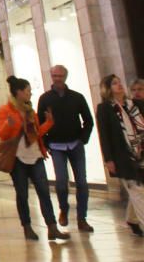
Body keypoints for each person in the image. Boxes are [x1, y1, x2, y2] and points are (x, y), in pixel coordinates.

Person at [0, 75, 69, 241]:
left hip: (35, 155)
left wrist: (49, 123)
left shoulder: (31, 111)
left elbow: (35, 134)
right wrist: (12, 122)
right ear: (19, 92)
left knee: (44, 192)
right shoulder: (5, 110)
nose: (30, 93)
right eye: (28, 90)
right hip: (17, 158)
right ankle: (27, 227)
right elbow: (2, 134)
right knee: (22, 194)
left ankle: (52, 227)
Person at [36, 64, 94, 232]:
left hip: (75, 144)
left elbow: (88, 120)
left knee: (82, 182)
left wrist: (83, 139)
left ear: (65, 77)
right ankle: (63, 209)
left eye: (60, 76)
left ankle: (82, 218)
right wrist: (46, 143)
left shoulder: (77, 97)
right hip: (56, 145)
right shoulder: (45, 99)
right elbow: (40, 123)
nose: (57, 79)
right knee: (61, 182)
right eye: (54, 75)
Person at [96, 74, 144, 238]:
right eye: (114, 84)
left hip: (140, 153)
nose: (119, 86)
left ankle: (132, 219)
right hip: (122, 156)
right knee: (137, 190)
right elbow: (104, 135)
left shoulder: (134, 105)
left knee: (138, 190)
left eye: (119, 82)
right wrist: (108, 159)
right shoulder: (104, 109)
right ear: (108, 89)